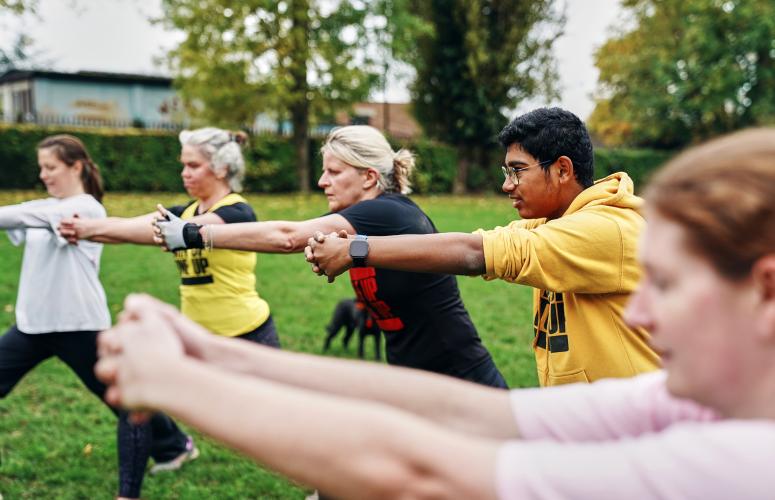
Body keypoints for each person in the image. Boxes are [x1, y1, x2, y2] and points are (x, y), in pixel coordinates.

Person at [96, 127, 775, 498]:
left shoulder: (741, 462)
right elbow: (485, 417)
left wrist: (180, 381)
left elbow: (418, 469)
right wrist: (206, 351)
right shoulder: (691, 403)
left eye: (667, 283)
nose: (641, 311)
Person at [307, 108, 659, 386]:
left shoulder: (605, 229)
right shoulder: (553, 223)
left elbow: (477, 253)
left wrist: (357, 249)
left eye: (517, 171)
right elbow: (476, 243)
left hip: (639, 435)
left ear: (563, 170)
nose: (507, 186)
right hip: (592, 426)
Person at [155, 125, 506, 387]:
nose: (323, 181)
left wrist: (195, 234)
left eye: (334, 172)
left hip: (461, 376)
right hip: (413, 378)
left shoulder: (389, 212)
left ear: (369, 178)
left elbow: (287, 237)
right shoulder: (365, 219)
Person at [0, 135, 191, 499]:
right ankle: (174, 443)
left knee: (121, 397)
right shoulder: (47, 206)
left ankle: (174, 445)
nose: (43, 174)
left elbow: (28, 214)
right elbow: (26, 213)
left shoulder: (87, 209)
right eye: (41, 168)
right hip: (33, 325)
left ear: (76, 167)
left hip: (80, 326)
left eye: (51, 167)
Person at [58, 127, 279, 348]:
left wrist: (87, 230)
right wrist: (83, 227)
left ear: (221, 169)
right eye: (183, 164)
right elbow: (127, 225)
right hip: (197, 336)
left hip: (247, 335)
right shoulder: (185, 213)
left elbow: (149, 231)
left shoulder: (237, 213)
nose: (184, 173)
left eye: (193, 165)